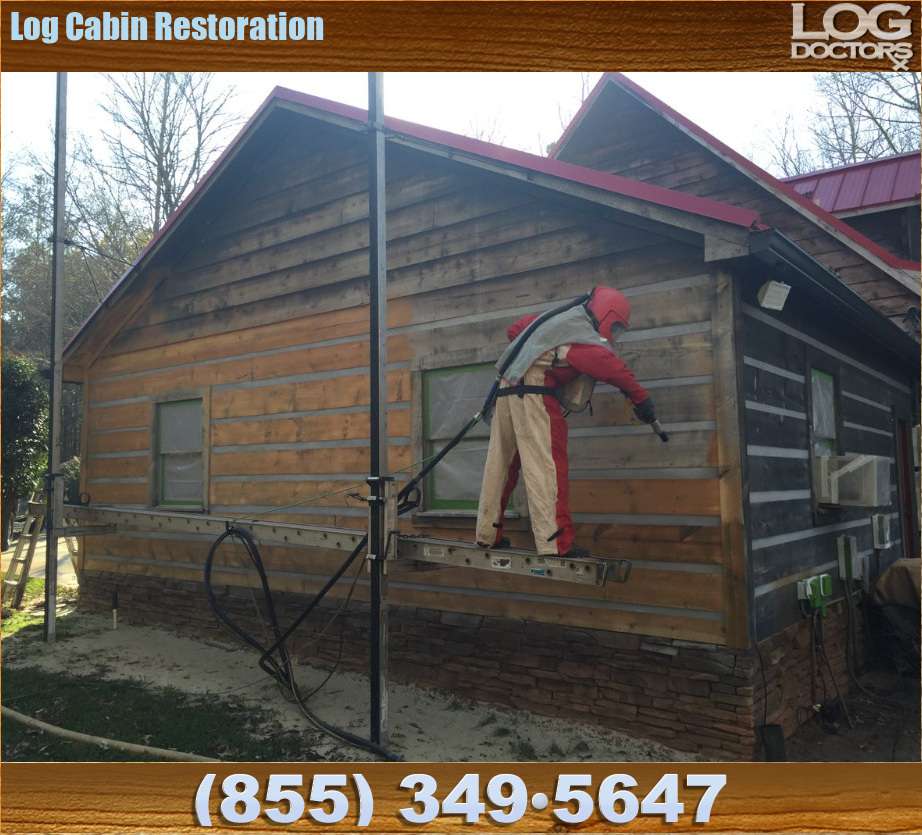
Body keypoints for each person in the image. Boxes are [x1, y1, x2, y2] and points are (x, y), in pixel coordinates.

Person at [476, 286, 655, 558]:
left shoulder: (554, 320)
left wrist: (538, 351)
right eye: (616, 326)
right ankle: (555, 544)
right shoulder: (582, 335)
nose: (613, 333)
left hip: (506, 390)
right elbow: (610, 367)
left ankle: (487, 536)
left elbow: (515, 330)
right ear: (607, 313)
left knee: (500, 465)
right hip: (535, 395)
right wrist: (642, 400)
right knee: (548, 468)